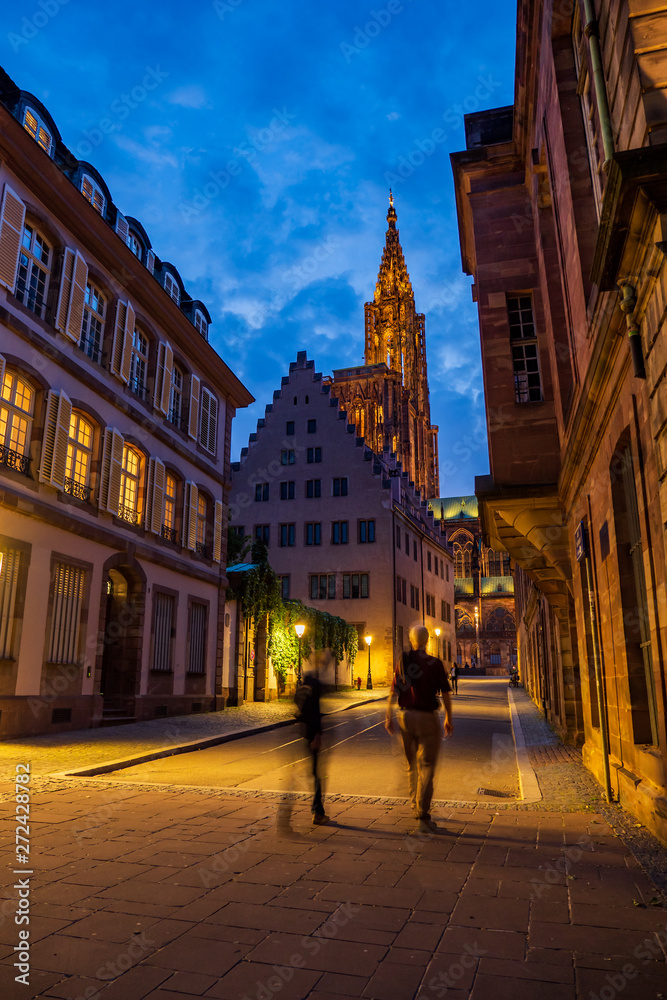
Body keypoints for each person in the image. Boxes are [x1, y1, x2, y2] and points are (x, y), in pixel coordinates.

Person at [385, 625, 453, 832]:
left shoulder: (403, 660)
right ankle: (422, 810)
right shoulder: (435, 663)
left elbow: (395, 688)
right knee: (427, 765)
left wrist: (388, 715)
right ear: (427, 641)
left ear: (411, 640)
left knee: (411, 764)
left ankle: (414, 803)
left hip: (404, 716)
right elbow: (445, 692)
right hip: (426, 718)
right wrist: (449, 717)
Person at [295, 671, 329, 826]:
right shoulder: (315, 689)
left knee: (314, 772)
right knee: (317, 774)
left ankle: (318, 811)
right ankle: (318, 813)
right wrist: (317, 735)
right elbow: (315, 713)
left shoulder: (304, 687)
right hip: (312, 734)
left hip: (304, 732)